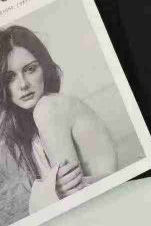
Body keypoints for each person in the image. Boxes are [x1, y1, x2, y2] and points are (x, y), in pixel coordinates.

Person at [0, 25, 118, 213]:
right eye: (9, 78)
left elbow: (74, 198)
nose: (23, 84)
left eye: (30, 69)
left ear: (44, 67)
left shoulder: (48, 108)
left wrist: (49, 191)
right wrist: (52, 189)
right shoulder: (40, 116)